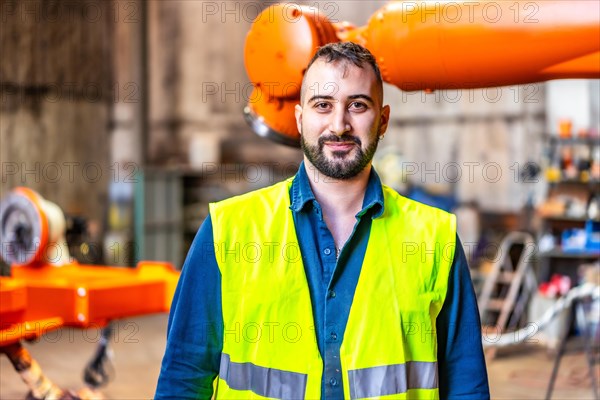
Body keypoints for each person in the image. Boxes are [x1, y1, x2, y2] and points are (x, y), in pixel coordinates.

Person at [155, 42, 490, 399]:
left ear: (383, 119)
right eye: (323, 105)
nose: (339, 125)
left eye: (357, 105)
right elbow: (185, 374)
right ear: (300, 119)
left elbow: (466, 383)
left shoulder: (433, 238)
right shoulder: (228, 230)